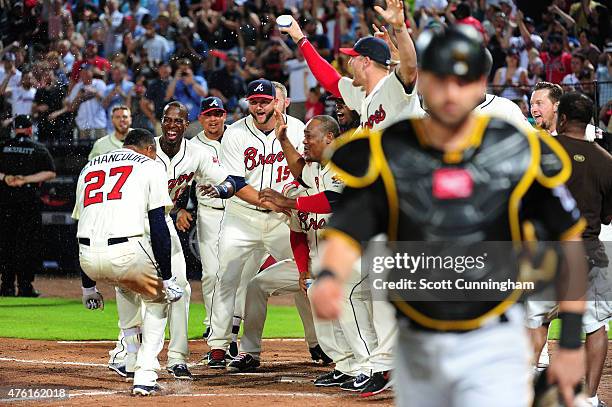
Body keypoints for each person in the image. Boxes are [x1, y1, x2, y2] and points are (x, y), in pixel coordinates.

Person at [310, 25, 588, 407]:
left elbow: (568, 242)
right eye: (440, 79)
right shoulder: (394, 150)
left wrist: (571, 342)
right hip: (419, 342)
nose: (451, 93)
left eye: (462, 80)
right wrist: (329, 275)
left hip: (493, 337)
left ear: (479, 84)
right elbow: (351, 224)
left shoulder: (516, 150)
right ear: (425, 82)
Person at [106, 101, 235, 380]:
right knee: (131, 290)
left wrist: (225, 188)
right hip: (133, 224)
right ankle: (125, 352)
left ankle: (177, 357)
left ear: (186, 124)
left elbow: (226, 179)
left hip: (162, 223)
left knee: (180, 288)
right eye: (168, 120)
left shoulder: (195, 153)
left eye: (179, 121)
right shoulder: (143, 147)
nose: (173, 125)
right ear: (160, 122)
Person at [205, 79, 308, 367]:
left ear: (277, 102)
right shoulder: (236, 133)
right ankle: (218, 344)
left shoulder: (298, 129)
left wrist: (285, 202)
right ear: (248, 103)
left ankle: (318, 343)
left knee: (306, 275)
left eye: (264, 101)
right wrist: (268, 201)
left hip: (283, 218)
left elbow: (303, 173)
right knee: (226, 276)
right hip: (242, 217)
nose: (259, 106)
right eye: (254, 101)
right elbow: (236, 183)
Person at [227, 113, 340, 374]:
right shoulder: (310, 174)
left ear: (329, 138)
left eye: (309, 137)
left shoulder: (343, 166)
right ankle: (250, 353)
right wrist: (302, 270)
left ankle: (350, 361)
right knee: (257, 285)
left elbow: (333, 199)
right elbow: (297, 232)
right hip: (315, 261)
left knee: (344, 309)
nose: (305, 143)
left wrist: (288, 202)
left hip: (344, 263)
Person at [73, 128, 183, 396]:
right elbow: (158, 225)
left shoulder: (90, 166)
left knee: (124, 286)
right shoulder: (150, 165)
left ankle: (130, 357)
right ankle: (146, 373)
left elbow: (80, 225)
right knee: (158, 299)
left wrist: (88, 286)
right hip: (126, 250)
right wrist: (167, 277)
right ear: (148, 149)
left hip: (88, 255)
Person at [279, 0, 425, 131]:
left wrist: (400, 28)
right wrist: (300, 38)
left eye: (353, 57)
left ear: (366, 61)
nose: (349, 62)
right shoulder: (361, 93)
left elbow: (410, 67)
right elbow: (330, 79)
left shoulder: (392, 85)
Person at [555, 92, 612, 407]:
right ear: (590, 121)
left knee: (534, 323)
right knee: (594, 326)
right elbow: (606, 215)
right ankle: (589, 399)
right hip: (588, 252)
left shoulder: (543, 152)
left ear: (561, 118)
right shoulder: (606, 161)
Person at [0, 115, 56, 297]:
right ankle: (25, 286)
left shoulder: (3, 145)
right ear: (30, 129)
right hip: (28, 202)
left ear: (14, 129)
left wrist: (6, 178)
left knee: (6, 243)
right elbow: (50, 173)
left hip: (5, 202)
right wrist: (26, 179)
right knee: (27, 244)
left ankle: (6, 286)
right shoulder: (38, 148)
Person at [67, 64, 108, 140]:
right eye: (82, 73)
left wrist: (95, 93)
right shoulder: (77, 87)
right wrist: (79, 96)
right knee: (85, 151)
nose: (84, 75)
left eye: (86, 72)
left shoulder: (99, 83)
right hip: (83, 126)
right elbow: (71, 108)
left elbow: (106, 103)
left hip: (99, 125)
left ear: (91, 72)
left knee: (102, 150)